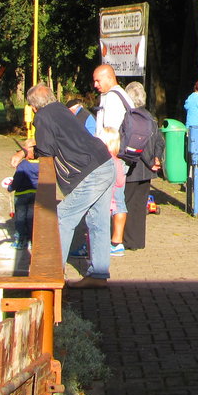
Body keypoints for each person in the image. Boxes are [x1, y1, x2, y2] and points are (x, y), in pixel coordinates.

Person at [19, 83, 116, 287]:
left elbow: (46, 150)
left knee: (62, 217)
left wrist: (30, 151)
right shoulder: (61, 109)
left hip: (90, 172)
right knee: (98, 222)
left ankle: (53, 274)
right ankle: (98, 275)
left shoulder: (42, 116)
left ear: (33, 107)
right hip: (105, 163)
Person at [92, 64, 133, 255]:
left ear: (109, 77)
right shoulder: (121, 95)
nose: (95, 85)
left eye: (98, 80)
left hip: (111, 156)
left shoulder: (113, 98)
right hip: (117, 157)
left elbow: (109, 132)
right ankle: (110, 241)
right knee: (114, 198)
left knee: (112, 199)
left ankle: (114, 243)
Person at [122, 80, 163, 249]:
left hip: (134, 166)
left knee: (126, 203)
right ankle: (137, 241)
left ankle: (126, 239)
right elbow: (160, 141)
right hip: (147, 170)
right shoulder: (151, 118)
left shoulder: (131, 117)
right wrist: (156, 158)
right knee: (140, 205)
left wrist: (149, 161)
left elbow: (137, 144)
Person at [6, 140, 39, 250]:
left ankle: (20, 241)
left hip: (21, 195)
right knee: (31, 218)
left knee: (20, 218)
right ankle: (32, 240)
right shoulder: (41, 165)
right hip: (35, 194)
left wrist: (10, 188)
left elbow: (17, 181)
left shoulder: (23, 165)